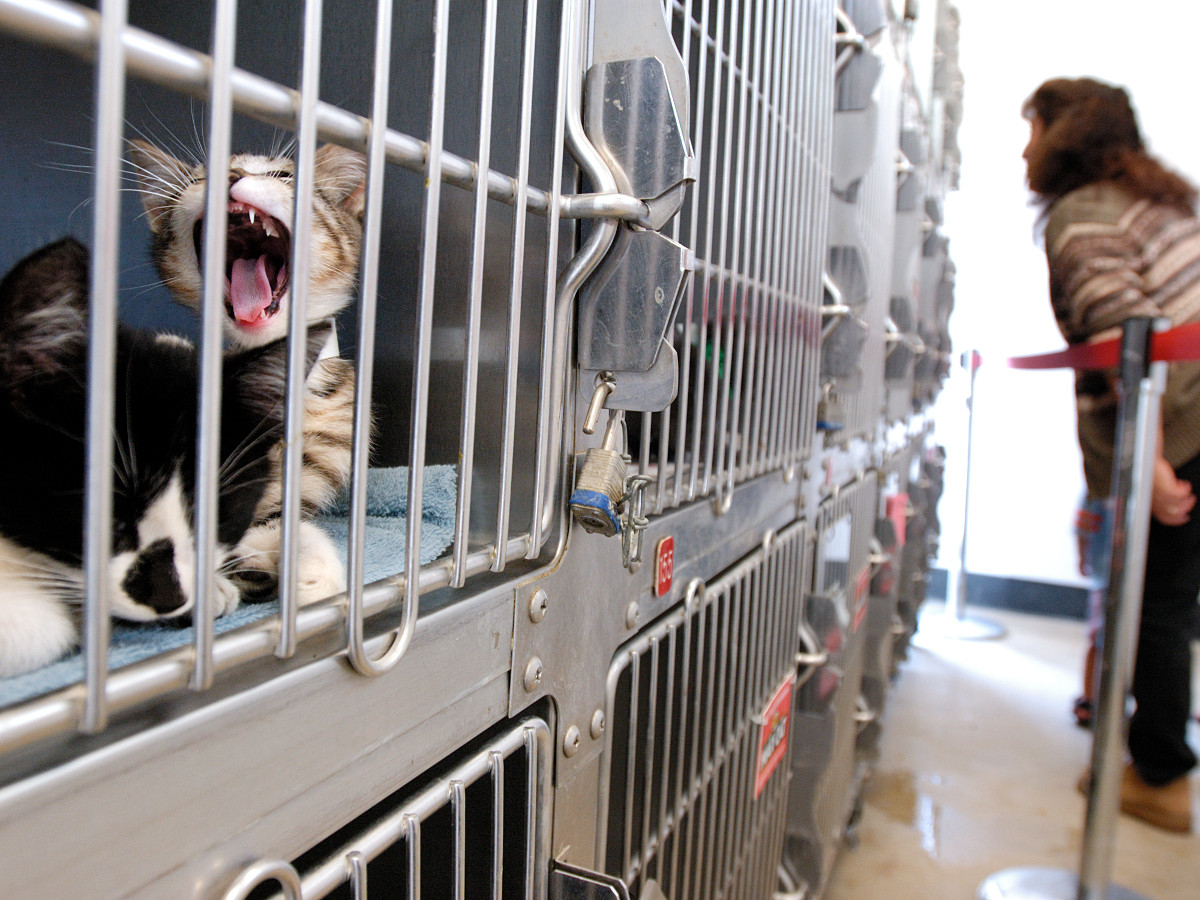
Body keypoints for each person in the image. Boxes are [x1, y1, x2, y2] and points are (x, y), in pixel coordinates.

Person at [1023, 76, 1200, 833]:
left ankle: (1159, 778)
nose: (1024, 148)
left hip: (1181, 431)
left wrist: (1152, 462)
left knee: (1156, 605)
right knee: (1172, 602)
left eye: (1031, 128)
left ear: (1063, 135)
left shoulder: (1084, 215)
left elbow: (1128, 343)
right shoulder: (1156, 200)